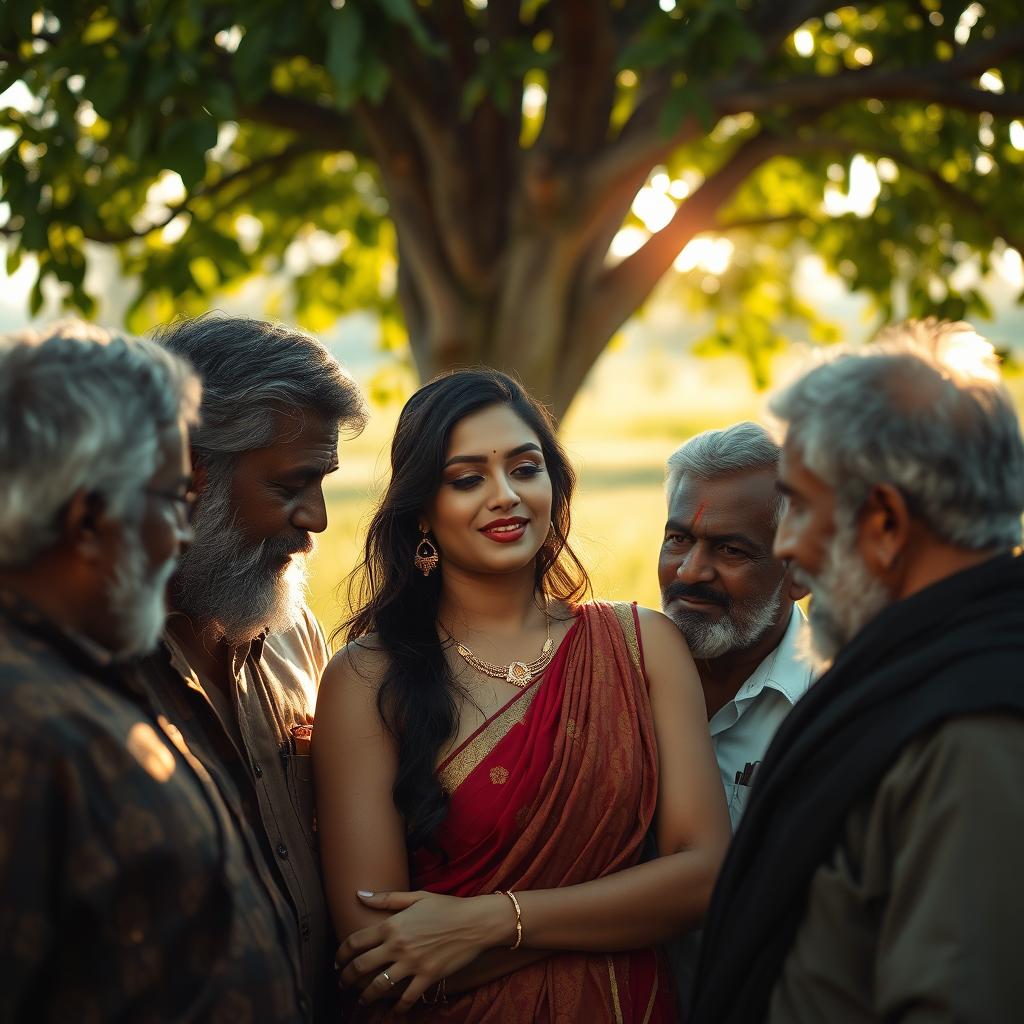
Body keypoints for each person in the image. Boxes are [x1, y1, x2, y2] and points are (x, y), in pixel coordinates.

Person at [315, 368, 730, 1021]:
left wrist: (487, 923)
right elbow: (382, 958)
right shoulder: (368, 679)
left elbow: (704, 875)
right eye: (468, 478)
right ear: (422, 508)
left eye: (525, 468)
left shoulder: (641, 646)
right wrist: (615, 913)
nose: (505, 495)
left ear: (554, 486)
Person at [690, 319, 1024, 1023]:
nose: (785, 545)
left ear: (885, 525)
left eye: (802, 507)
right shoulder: (919, 678)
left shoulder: (974, 730)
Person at [0, 321, 302, 1020]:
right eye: (171, 500)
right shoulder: (22, 724)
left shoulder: (78, 675)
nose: (181, 533)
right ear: (86, 519)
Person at [136, 314, 367, 1022]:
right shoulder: (76, 668)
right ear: (186, 475)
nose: (319, 519)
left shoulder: (293, 629)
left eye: (323, 482)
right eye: (292, 486)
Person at [661, 422, 813, 828]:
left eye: (731, 550)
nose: (690, 572)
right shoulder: (604, 673)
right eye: (678, 539)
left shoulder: (836, 708)